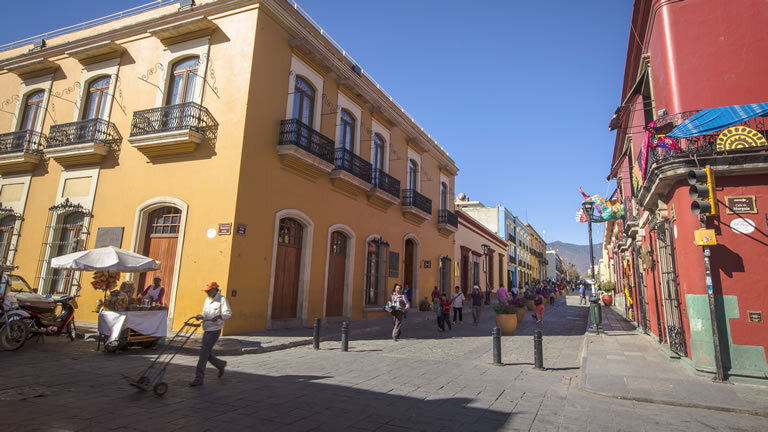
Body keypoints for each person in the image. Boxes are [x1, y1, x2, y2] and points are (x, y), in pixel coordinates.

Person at [190, 281, 232, 387]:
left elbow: (228, 313)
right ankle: (220, 364)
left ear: (214, 289)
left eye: (208, 291)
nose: (207, 293)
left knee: (203, 353)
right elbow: (205, 312)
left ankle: (199, 377)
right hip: (207, 327)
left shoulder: (222, 299)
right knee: (205, 351)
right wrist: (201, 315)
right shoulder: (207, 300)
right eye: (206, 291)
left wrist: (219, 316)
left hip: (215, 329)